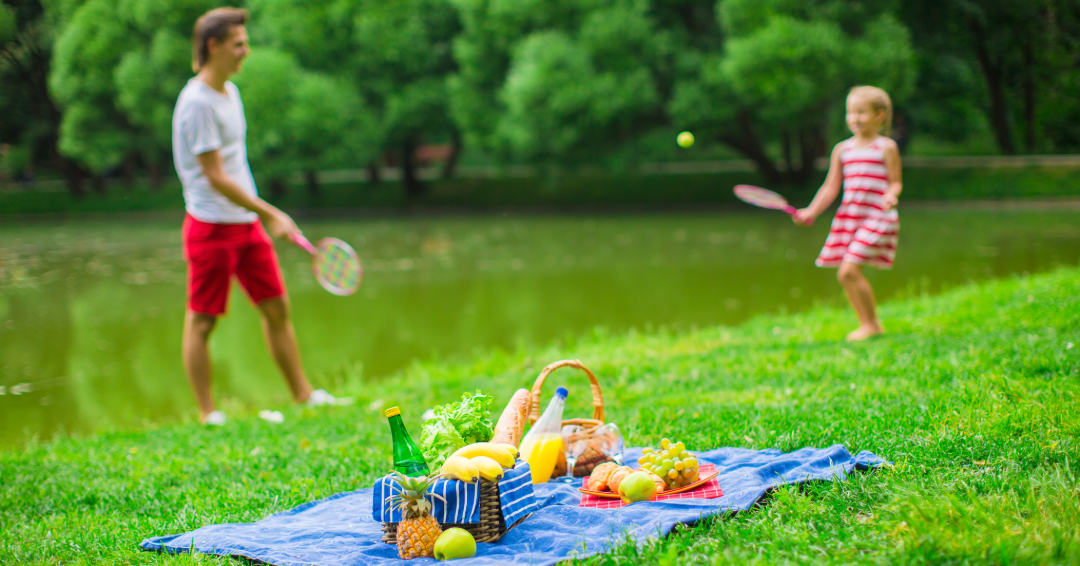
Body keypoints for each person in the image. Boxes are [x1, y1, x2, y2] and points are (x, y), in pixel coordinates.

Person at [173, 7, 340, 425]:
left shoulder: (231, 92)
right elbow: (214, 176)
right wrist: (270, 212)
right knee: (203, 321)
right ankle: (208, 413)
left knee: (276, 308)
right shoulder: (196, 104)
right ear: (214, 46)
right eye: (239, 44)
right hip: (211, 227)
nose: (246, 51)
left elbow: (235, 165)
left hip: (245, 225)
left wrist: (258, 215)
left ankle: (304, 394)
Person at [793, 86, 901, 341]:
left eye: (861, 112)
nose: (854, 118)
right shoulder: (842, 150)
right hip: (851, 217)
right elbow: (830, 187)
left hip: (877, 216)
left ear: (880, 116)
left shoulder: (886, 147)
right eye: (850, 112)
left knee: (847, 271)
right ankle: (869, 324)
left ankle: (871, 324)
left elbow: (895, 181)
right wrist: (811, 211)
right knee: (847, 274)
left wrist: (891, 195)